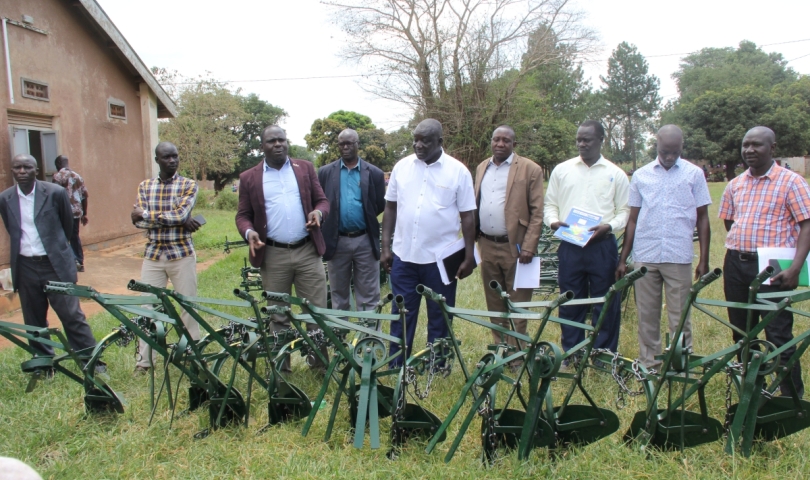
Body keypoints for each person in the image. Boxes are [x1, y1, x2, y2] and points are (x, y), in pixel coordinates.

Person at [719, 126, 808, 398]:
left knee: (777, 331)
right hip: (735, 263)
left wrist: (794, 268)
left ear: (773, 148)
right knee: (742, 332)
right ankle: (752, 392)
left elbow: (807, 224)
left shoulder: (791, 182)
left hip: (773, 266)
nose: (749, 150)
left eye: (757, 145)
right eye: (746, 145)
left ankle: (791, 397)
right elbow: (728, 220)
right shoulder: (735, 184)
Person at [381, 119, 477, 366]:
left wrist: (469, 256)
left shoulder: (458, 171)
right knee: (401, 314)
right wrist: (385, 248)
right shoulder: (402, 167)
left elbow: (468, 215)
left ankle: (438, 364)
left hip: (440, 260)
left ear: (440, 142)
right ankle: (396, 363)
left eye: (425, 140)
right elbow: (390, 207)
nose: (418, 145)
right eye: (415, 139)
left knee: (440, 315)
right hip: (404, 257)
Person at [235, 125, 330, 373]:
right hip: (273, 254)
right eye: (271, 141)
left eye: (281, 140)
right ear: (262, 146)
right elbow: (243, 215)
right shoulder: (249, 177)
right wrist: (249, 232)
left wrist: (319, 213)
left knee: (316, 311)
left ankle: (319, 367)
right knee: (278, 315)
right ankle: (282, 370)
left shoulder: (305, 168)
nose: (278, 144)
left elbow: (322, 200)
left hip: (307, 250)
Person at [616, 125, 711, 368]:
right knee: (647, 315)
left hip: (678, 255)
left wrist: (704, 259)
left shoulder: (694, 174)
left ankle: (680, 364)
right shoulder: (641, 175)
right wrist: (623, 258)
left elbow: (703, 218)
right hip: (646, 255)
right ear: (656, 146)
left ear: (681, 147)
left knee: (680, 316)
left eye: (674, 152)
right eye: (664, 151)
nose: (669, 157)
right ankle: (650, 365)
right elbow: (633, 219)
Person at [0, 154, 98, 369]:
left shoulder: (55, 193)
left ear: (37, 170)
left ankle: (91, 361)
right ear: (12, 171)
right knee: (33, 319)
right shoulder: (5, 198)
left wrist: (56, 251)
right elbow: (12, 230)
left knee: (71, 314)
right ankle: (43, 363)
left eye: (27, 167)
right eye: (17, 168)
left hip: (54, 264)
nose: (22, 171)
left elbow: (66, 227)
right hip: (25, 266)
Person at [544, 120, 630, 355]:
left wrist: (609, 226)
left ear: (601, 140)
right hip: (570, 245)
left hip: (602, 247)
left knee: (606, 300)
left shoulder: (616, 174)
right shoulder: (562, 171)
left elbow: (625, 211)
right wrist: (553, 222)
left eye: (587, 140)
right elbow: (549, 205)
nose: (581, 144)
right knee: (570, 299)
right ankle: (572, 352)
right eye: (579, 139)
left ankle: (602, 353)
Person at [474, 125, 544, 365]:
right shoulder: (482, 167)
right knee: (494, 301)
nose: (500, 144)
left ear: (514, 144)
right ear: (491, 141)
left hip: (516, 248)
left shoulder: (529, 169)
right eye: (496, 139)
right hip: (487, 243)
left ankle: (516, 356)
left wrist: (529, 246)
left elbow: (537, 212)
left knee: (518, 302)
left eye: (506, 140)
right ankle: (500, 350)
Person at [131, 142, 201, 374]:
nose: (172, 161)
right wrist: (175, 218)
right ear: (157, 160)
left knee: (187, 305)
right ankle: (144, 361)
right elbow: (137, 221)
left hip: (181, 254)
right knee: (147, 307)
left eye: (175, 156)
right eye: (166, 157)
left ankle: (193, 354)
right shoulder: (145, 186)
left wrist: (150, 214)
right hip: (153, 255)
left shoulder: (188, 185)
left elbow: (180, 213)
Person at [318, 128, 386, 313]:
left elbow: (379, 205)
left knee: (369, 294)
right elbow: (319, 202)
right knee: (338, 293)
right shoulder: (325, 172)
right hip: (336, 240)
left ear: (358, 145)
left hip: (365, 240)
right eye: (342, 143)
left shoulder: (374, 173)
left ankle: (369, 338)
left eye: (349, 143)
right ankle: (340, 335)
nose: (345, 147)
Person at [52, 155, 88, 272]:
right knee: (74, 236)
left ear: (58, 164)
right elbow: (85, 196)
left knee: (62, 237)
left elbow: (55, 195)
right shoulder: (78, 176)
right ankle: (79, 261)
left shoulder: (58, 176)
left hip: (64, 212)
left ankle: (70, 261)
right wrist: (85, 214)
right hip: (77, 212)